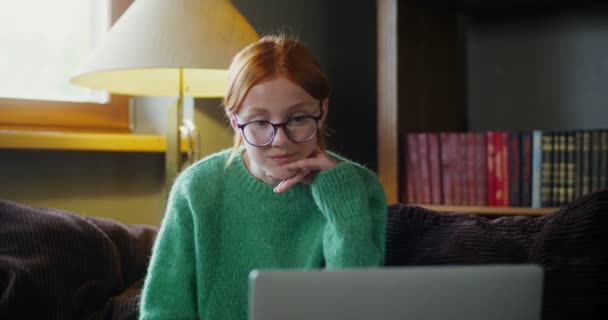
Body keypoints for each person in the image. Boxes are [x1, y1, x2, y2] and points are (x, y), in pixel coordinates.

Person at [139, 35, 387, 320]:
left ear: (322, 110)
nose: (280, 140)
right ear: (235, 121)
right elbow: (163, 311)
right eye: (259, 123)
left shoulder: (360, 188)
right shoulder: (196, 189)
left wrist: (341, 203)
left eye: (297, 119)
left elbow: (355, 306)